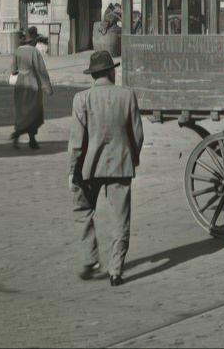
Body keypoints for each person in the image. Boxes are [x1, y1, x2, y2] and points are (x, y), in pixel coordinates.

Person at [67, 50, 144, 286]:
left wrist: (72, 170)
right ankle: (116, 271)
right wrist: (131, 158)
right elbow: (138, 134)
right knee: (121, 219)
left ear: (93, 75)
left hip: (90, 167)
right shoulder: (127, 95)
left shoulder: (81, 99)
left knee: (82, 210)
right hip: (122, 165)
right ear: (111, 72)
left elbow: (76, 141)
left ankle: (91, 257)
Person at [9, 28, 53, 150]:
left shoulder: (18, 51)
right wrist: (47, 87)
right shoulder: (35, 52)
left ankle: (20, 136)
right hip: (33, 85)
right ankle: (30, 139)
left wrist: (20, 70)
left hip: (20, 85)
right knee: (33, 112)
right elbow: (41, 71)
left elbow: (13, 69)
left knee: (22, 112)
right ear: (33, 40)